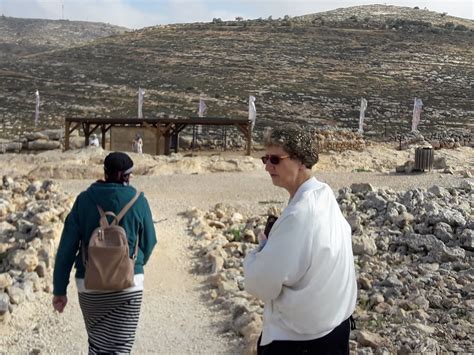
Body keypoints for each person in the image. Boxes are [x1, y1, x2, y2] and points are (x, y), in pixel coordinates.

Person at [243, 126, 357, 355]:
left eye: (275, 159)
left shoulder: (299, 214)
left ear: (301, 161)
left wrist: (258, 253)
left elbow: (259, 283)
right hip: (335, 331)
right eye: (266, 158)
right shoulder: (324, 196)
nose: (267, 166)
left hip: (300, 342)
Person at [52, 151, 157, 354]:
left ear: (105, 172)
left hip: (90, 284)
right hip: (129, 286)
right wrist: (134, 264)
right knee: (121, 347)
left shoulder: (83, 200)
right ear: (126, 176)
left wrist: (59, 290)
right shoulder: (139, 200)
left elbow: (66, 248)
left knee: (97, 345)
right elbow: (150, 242)